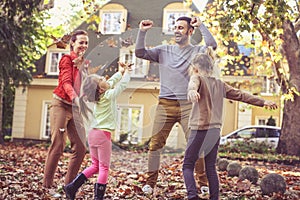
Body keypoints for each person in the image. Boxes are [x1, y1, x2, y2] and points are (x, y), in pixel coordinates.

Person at [135, 16, 217, 194]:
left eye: (181, 27)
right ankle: (150, 182)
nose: (176, 30)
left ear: (189, 31)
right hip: (165, 104)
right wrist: (142, 32)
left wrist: (201, 25)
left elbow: (212, 45)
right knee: (155, 144)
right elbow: (140, 53)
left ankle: (203, 182)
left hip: (189, 106)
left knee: (196, 144)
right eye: (175, 27)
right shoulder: (163, 50)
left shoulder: (196, 51)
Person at [183, 53, 278, 200]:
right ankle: (214, 197)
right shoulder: (220, 85)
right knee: (210, 167)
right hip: (215, 131)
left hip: (199, 129)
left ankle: (192, 196)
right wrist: (262, 102)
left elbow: (192, 84)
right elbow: (241, 95)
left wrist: (191, 91)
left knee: (188, 165)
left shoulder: (197, 78)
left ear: (195, 68)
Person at [64, 62, 132, 200]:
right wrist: (128, 73)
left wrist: (121, 71)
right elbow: (121, 86)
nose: (105, 79)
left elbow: (112, 82)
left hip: (93, 134)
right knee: (104, 168)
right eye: (101, 80)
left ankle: (71, 187)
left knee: (95, 165)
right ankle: (98, 198)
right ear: (100, 89)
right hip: (102, 135)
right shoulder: (107, 96)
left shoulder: (101, 95)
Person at [43, 30, 89, 192]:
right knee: (59, 143)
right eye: (80, 42)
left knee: (81, 148)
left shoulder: (84, 64)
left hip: (75, 108)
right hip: (61, 104)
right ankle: (47, 186)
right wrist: (75, 97)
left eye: (86, 43)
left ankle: (69, 187)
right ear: (73, 44)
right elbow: (66, 82)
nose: (83, 46)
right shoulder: (66, 59)